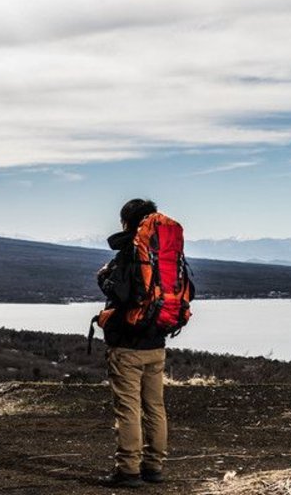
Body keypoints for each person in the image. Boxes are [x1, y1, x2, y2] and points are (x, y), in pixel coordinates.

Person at [96, 198, 167, 488]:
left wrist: (104, 278)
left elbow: (124, 295)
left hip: (128, 344)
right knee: (155, 406)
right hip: (156, 341)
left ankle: (128, 470)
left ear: (128, 221)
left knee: (128, 408)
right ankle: (154, 466)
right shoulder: (163, 251)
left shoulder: (131, 251)